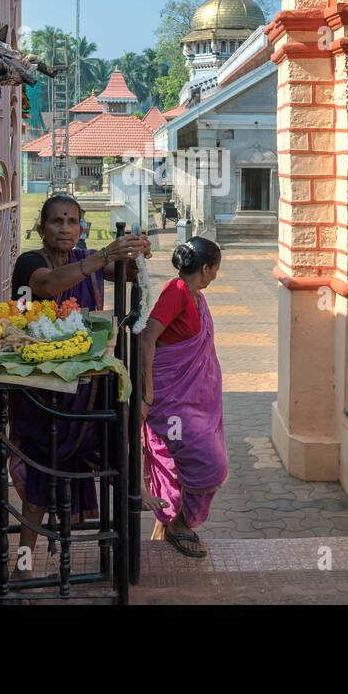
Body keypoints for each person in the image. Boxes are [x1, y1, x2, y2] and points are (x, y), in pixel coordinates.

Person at [8, 195, 152, 563]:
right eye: (57, 221)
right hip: (44, 388)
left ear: (81, 228)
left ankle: (126, 513)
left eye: (72, 221)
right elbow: (47, 286)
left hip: (83, 384)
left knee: (113, 442)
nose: (65, 228)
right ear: (41, 228)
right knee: (40, 483)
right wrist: (104, 255)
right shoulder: (31, 261)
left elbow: (128, 275)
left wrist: (135, 253)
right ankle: (24, 564)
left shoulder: (81, 258)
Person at [136, 237, 228, 558]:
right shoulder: (176, 292)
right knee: (208, 465)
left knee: (181, 463)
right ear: (204, 268)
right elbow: (148, 336)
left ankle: (167, 527)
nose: (216, 275)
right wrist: (147, 392)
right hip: (169, 400)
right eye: (215, 269)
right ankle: (177, 523)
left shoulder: (195, 295)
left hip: (191, 402)